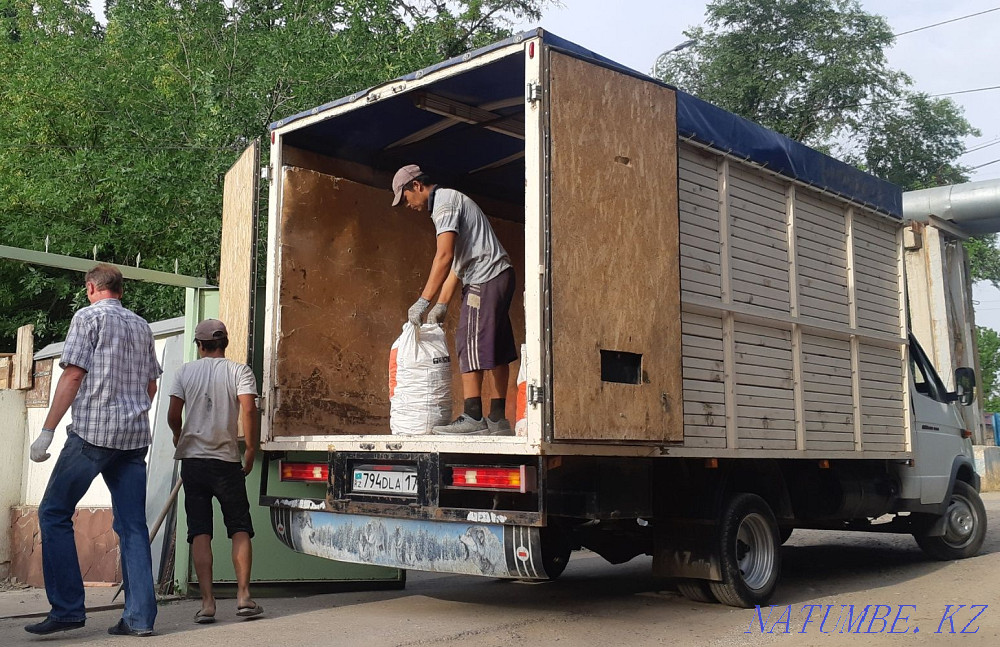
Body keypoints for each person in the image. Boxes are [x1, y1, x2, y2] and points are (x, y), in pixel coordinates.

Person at [25, 264, 162, 637]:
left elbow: (72, 374)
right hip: (133, 439)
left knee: (54, 512)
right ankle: (139, 619)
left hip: (92, 436)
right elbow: (151, 386)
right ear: (119, 289)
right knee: (133, 527)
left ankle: (68, 609)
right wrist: (130, 411)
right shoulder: (141, 326)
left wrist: (48, 431)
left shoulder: (87, 317)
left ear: (90, 287)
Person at [392, 164, 517, 436]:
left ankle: (473, 416)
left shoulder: (444, 204)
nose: (407, 205)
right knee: (495, 347)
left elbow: (444, 256)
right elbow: (457, 264)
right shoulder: (452, 200)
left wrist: (423, 301)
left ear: (416, 185)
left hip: (484, 277)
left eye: (405, 198)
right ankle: (497, 418)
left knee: (467, 341)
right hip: (499, 274)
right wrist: (442, 304)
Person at [166, 318, 262, 624]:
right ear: (226, 343)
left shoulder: (184, 372)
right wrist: (250, 448)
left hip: (193, 463)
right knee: (239, 528)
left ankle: (207, 604)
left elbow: (173, 413)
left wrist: (178, 435)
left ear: (199, 345)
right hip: (226, 461)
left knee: (200, 532)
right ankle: (244, 597)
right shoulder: (239, 371)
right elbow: (248, 409)